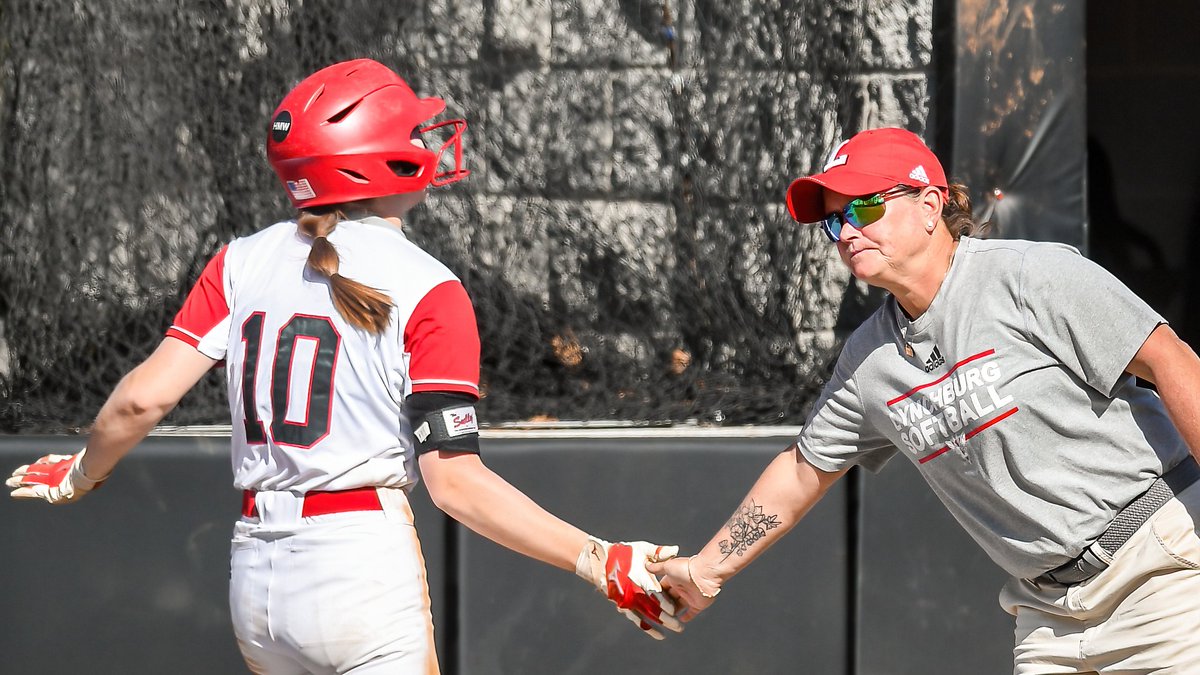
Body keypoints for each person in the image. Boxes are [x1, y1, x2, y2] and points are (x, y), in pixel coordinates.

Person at [6, 58, 681, 674]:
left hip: (255, 571)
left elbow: (138, 402)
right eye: (410, 133)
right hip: (359, 568)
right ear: (373, 162)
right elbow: (456, 486)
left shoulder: (240, 259)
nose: (428, 142)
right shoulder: (430, 286)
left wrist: (78, 472)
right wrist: (598, 557)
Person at [646, 127, 1200, 674]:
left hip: (1159, 572)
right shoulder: (869, 359)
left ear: (930, 204)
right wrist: (704, 571)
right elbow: (799, 472)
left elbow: (1173, 361)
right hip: (1048, 613)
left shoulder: (1030, 276)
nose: (845, 232)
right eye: (833, 221)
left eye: (862, 209)